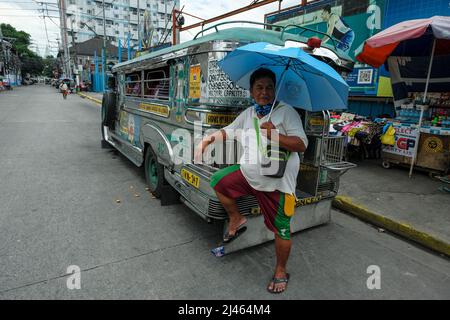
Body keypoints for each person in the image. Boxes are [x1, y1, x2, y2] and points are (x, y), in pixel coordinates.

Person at [195, 68, 308, 294]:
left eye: (269, 87)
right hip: (249, 176)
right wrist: (205, 142)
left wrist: (276, 134)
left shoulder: (286, 113)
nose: (264, 92)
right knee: (219, 181)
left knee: (282, 230)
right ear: (251, 91)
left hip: (277, 184)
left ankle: (280, 271)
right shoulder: (248, 114)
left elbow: (302, 144)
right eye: (259, 87)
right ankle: (237, 218)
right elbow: (228, 132)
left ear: (275, 90)